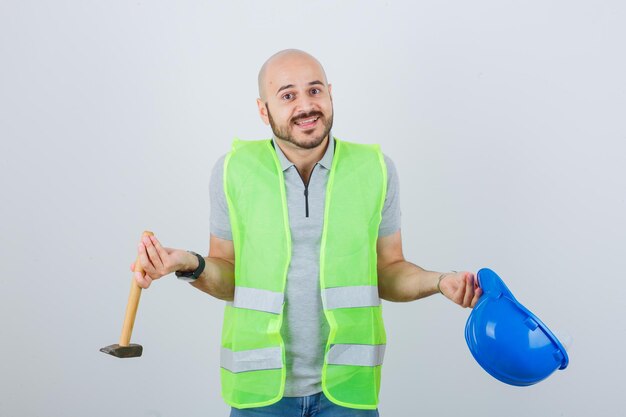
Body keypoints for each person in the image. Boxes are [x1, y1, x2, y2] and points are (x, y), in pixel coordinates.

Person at [133, 49, 482, 417]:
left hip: (348, 392)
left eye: (315, 91)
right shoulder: (233, 171)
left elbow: (389, 270)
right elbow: (228, 275)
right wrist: (187, 263)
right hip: (260, 394)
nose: (306, 105)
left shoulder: (375, 169)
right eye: (287, 95)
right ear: (263, 110)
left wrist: (440, 281)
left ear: (330, 94)